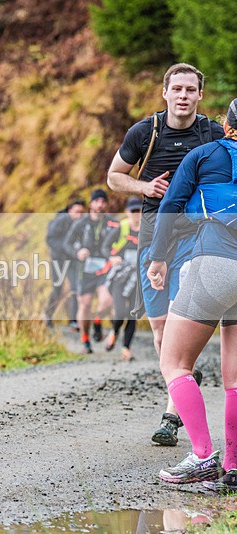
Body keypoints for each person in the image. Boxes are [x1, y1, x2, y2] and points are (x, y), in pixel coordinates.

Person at [107, 63, 223, 446]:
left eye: (191, 89)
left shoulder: (212, 132)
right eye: (178, 89)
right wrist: (144, 186)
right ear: (165, 92)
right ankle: (183, 377)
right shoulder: (145, 132)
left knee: (178, 318)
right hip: (153, 236)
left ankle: (171, 415)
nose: (184, 96)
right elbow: (113, 177)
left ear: (200, 95)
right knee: (159, 330)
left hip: (197, 238)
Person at [147, 97, 237, 493]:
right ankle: (234, 467)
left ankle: (202, 457)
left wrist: (158, 259)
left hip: (213, 261)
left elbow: (169, 206)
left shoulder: (204, 153)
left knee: (174, 361)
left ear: (225, 124)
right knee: (235, 376)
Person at [63, 189, 118, 354]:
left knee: (107, 301)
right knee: (85, 305)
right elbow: (67, 243)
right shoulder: (81, 223)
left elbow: (122, 241)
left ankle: (97, 320)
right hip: (85, 270)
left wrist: (115, 255)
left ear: (106, 204)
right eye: (96, 201)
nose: (100, 204)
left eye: (103, 201)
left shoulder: (112, 223)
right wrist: (78, 252)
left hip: (104, 268)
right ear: (91, 204)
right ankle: (85, 340)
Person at [101, 196, 142, 361]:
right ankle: (114, 331)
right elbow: (105, 246)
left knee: (133, 313)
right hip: (120, 276)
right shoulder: (121, 227)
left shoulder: (149, 229)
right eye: (133, 211)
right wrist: (112, 258)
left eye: (139, 211)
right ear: (127, 212)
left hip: (138, 277)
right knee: (120, 312)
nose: (137, 214)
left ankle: (126, 348)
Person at [45, 199, 86, 329]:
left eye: (81, 212)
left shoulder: (81, 224)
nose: (79, 215)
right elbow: (50, 239)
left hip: (73, 260)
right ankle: (48, 315)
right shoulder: (61, 221)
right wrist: (65, 249)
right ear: (69, 211)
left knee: (75, 288)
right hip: (59, 259)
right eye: (76, 212)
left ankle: (73, 320)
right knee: (58, 288)